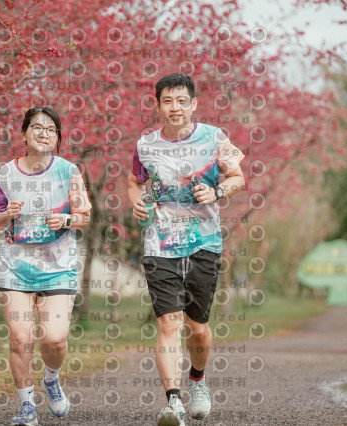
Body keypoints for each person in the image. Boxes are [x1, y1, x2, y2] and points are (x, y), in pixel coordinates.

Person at [128, 74, 245, 426]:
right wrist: (137, 204)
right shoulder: (146, 145)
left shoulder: (214, 137)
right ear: (158, 106)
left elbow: (238, 178)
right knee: (168, 322)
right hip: (160, 244)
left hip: (204, 244)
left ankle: (198, 379)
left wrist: (217, 192)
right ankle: (173, 402)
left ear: (193, 104)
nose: (175, 107)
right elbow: (135, 182)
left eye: (182, 101)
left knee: (198, 328)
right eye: (167, 101)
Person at [0, 106, 92, 425]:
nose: (44, 133)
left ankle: (52, 379)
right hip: (14, 269)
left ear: (57, 138)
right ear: (24, 133)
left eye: (50, 129)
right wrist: (7, 214)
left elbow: (84, 217)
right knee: (21, 338)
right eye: (37, 127)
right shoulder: (6, 173)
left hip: (58, 268)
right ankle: (27, 406)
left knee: (55, 339)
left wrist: (67, 220)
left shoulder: (68, 171)